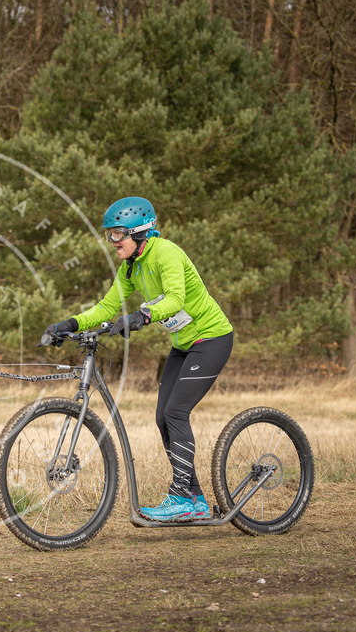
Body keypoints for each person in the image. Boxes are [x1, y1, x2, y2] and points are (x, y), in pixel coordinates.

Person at [42, 196, 233, 522]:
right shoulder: (132, 266)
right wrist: (69, 324)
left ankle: (180, 498)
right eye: (109, 235)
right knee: (163, 417)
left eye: (118, 234)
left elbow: (176, 299)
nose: (112, 242)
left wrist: (143, 316)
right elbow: (105, 308)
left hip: (212, 339)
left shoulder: (166, 253)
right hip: (184, 344)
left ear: (140, 232)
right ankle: (196, 500)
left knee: (175, 412)